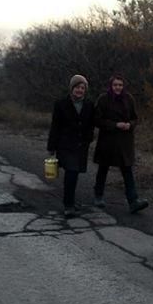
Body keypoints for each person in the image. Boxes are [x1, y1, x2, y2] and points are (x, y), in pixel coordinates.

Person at [92, 74, 149, 213]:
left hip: (125, 141)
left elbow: (135, 118)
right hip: (108, 141)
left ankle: (133, 201)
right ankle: (98, 196)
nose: (118, 87)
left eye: (120, 85)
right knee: (103, 169)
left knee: (127, 170)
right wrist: (115, 125)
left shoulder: (128, 99)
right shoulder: (103, 99)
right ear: (111, 86)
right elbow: (97, 120)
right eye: (115, 85)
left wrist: (130, 124)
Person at [47, 74, 95, 218]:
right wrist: (52, 146)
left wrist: (89, 138)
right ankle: (68, 205)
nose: (80, 90)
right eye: (77, 87)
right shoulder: (61, 104)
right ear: (72, 88)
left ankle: (71, 202)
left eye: (82, 88)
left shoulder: (89, 105)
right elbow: (55, 126)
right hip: (65, 145)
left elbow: (91, 124)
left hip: (81, 145)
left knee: (74, 173)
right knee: (71, 172)